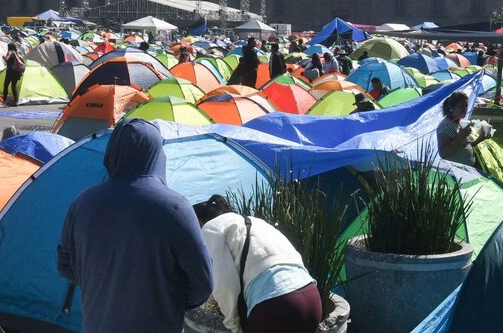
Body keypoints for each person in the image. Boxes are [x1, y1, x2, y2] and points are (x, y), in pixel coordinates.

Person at [57, 119, 214, 333]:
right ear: (157, 154)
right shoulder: (174, 209)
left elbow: (65, 264)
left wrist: (103, 286)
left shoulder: (83, 202)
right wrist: (168, 301)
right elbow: (203, 281)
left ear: (111, 153)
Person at [193, 195, 322, 333]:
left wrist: (236, 327)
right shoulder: (255, 222)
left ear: (199, 222)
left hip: (276, 306)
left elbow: (224, 285)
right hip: (311, 297)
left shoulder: (209, 229)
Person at [437, 91, 487, 168]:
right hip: (457, 173)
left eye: (466, 106)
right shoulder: (446, 126)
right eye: (460, 106)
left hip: (468, 170)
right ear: (451, 107)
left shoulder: (459, 122)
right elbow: (443, 153)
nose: (465, 109)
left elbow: (463, 146)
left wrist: (479, 139)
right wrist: (460, 137)